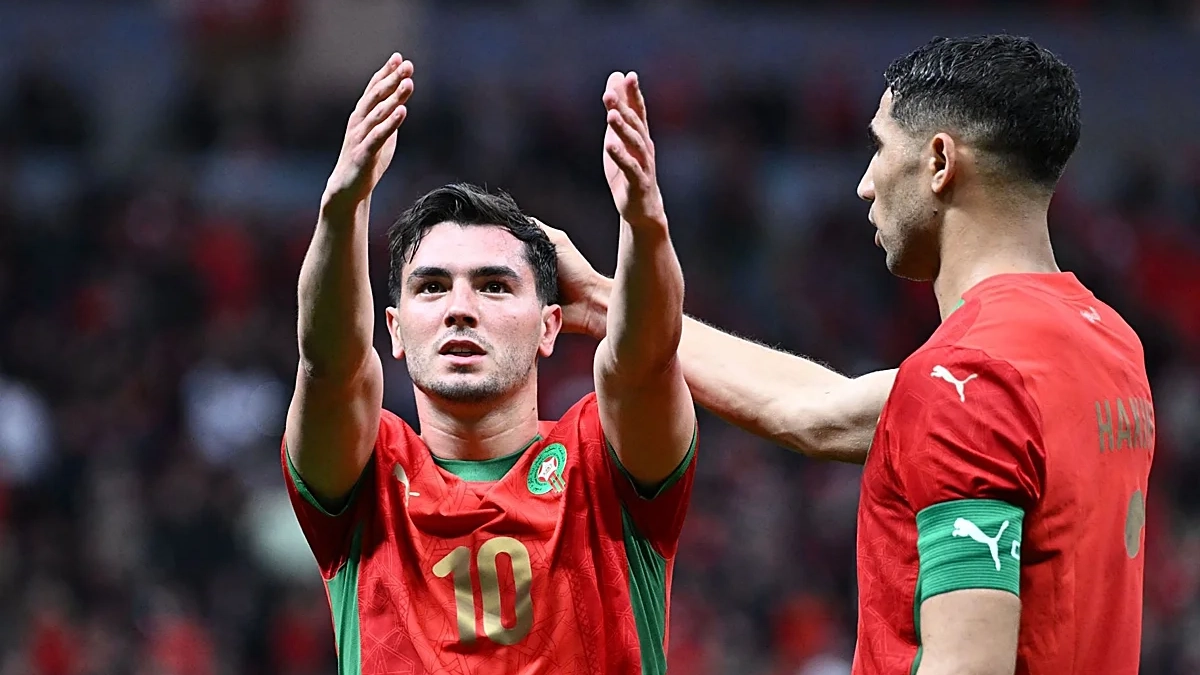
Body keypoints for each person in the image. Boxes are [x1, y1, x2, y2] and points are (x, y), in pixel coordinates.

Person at [549, 35, 1154, 675]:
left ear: (940, 161)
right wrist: (603, 299)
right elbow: (811, 410)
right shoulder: (1104, 342)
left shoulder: (965, 380)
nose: (864, 184)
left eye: (879, 147)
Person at [282, 54, 697, 674]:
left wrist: (645, 225)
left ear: (549, 326)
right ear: (392, 330)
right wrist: (342, 209)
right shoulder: (368, 475)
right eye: (429, 287)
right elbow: (328, 364)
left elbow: (645, 359)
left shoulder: (602, 462)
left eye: (495, 286)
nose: (460, 309)